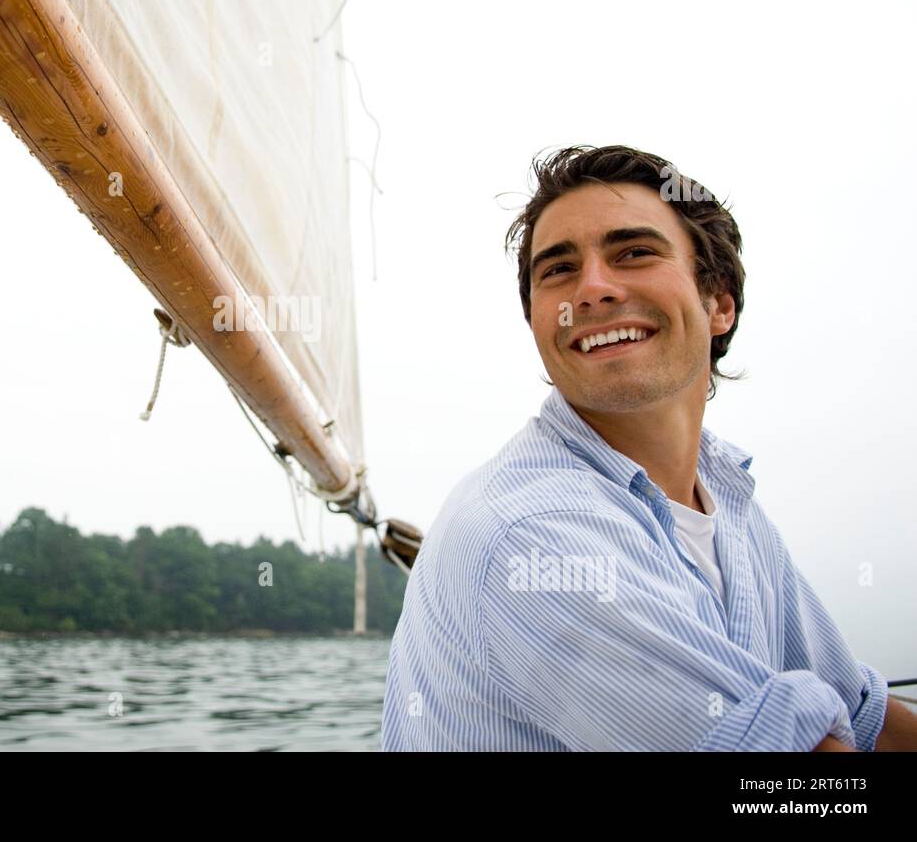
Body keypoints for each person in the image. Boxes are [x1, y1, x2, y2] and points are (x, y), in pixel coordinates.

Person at [381, 144, 917, 751]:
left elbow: (862, 717)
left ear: (719, 303)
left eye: (633, 253)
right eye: (556, 270)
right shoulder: (529, 533)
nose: (592, 289)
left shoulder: (730, 502)